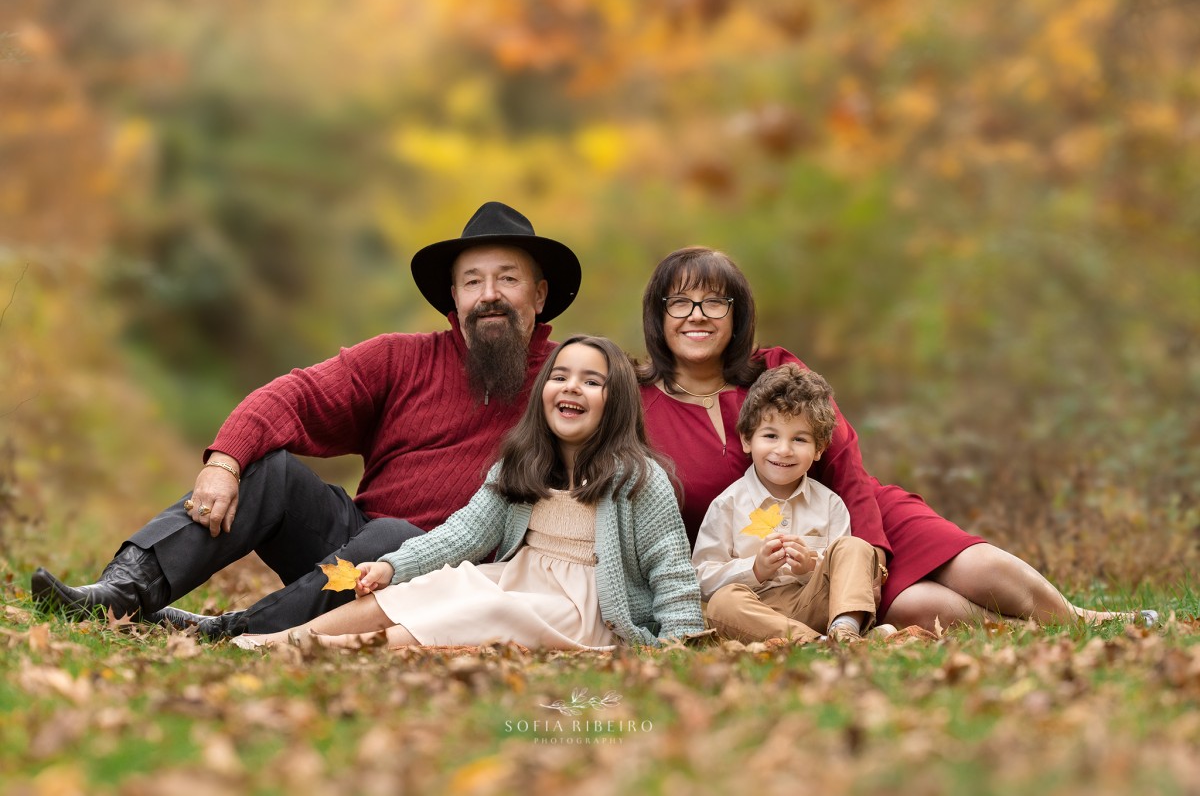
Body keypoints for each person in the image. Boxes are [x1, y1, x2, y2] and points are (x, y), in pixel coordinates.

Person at [31, 201, 584, 639]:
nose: (489, 296)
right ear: (453, 300)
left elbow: (650, 457)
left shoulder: (572, 384)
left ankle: (235, 631)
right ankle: (123, 591)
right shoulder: (401, 358)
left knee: (393, 536)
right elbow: (293, 396)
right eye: (472, 282)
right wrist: (224, 463)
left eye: (508, 279)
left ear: (539, 296)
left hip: (451, 575)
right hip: (347, 557)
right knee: (268, 470)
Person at [639, 246, 1156, 631]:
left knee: (973, 565)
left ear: (738, 314)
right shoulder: (637, 402)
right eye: (680, 302)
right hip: (769, 567)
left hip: (853, 516)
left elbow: (841, 454)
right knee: (915, 607)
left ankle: (1084, 620)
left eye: (715, 302)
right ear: (659, 315)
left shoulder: (774, 369)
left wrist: (869, 548)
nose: (698, 315)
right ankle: (1029, 633)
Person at [230, 335, 704, 650]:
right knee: (443, 585)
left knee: (490, 608)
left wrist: (681, 642)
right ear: (544, 391)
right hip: (519, 578)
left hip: (587, 609)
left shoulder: (638, 479)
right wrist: (394, 566)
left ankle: (330, 651)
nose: (571, 387)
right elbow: (463, 534)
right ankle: (291, 638)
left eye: (592, 381)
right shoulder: (524, 463)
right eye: (560, 376)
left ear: (615, 400)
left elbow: (671, 566)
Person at [695, 363, 891, 644]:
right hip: (758, 614)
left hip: (816, 605)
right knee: (722, 604)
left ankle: (845, 629)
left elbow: (847, 571)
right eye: (771, 436)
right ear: (747, 439)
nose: (783, 450)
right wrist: (755, 569)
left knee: (856, 547)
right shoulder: (727, 505)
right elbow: (702, 577)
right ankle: (818, 643)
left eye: (799, 439)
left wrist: (811, 565)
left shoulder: (830, 504)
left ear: (820, 449)